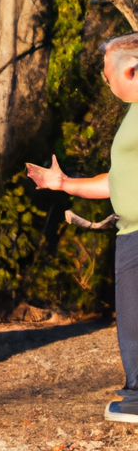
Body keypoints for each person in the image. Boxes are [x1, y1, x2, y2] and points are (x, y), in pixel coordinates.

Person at [27, 31, 138, 423]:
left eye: (109, 74)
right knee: (132, 317)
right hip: (130, 234)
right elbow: (117, 180)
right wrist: (64, 184)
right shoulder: (132, 116)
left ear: (134, 70)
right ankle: (136, 394)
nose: (106, 82)